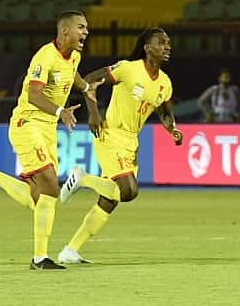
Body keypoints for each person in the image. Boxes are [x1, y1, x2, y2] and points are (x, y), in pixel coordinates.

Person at [0, 10, 102, 270]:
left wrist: (85, 87)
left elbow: (72, 75)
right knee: (50, 185)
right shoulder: (44, 57)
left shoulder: (75, 56)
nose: (86, 32)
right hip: (28, 124)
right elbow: (34, 95)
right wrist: (61, 111)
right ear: (65, 31)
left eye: (86, 27)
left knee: (40, 198)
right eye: (81, 27)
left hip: (47, 130)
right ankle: (39, 259)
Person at [56, 28, 183, 264]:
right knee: (129, 191)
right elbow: (90, 80)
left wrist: (172, 130)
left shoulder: (165, 83)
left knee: (110, 199)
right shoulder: (128, 68)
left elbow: (165, 113)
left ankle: (70, 250)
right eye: (161, 43)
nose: (167, 47)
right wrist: (93, 113)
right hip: (111, 133)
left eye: (169, 43)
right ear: (147, 47)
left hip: (131, 141)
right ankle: (81, 178)